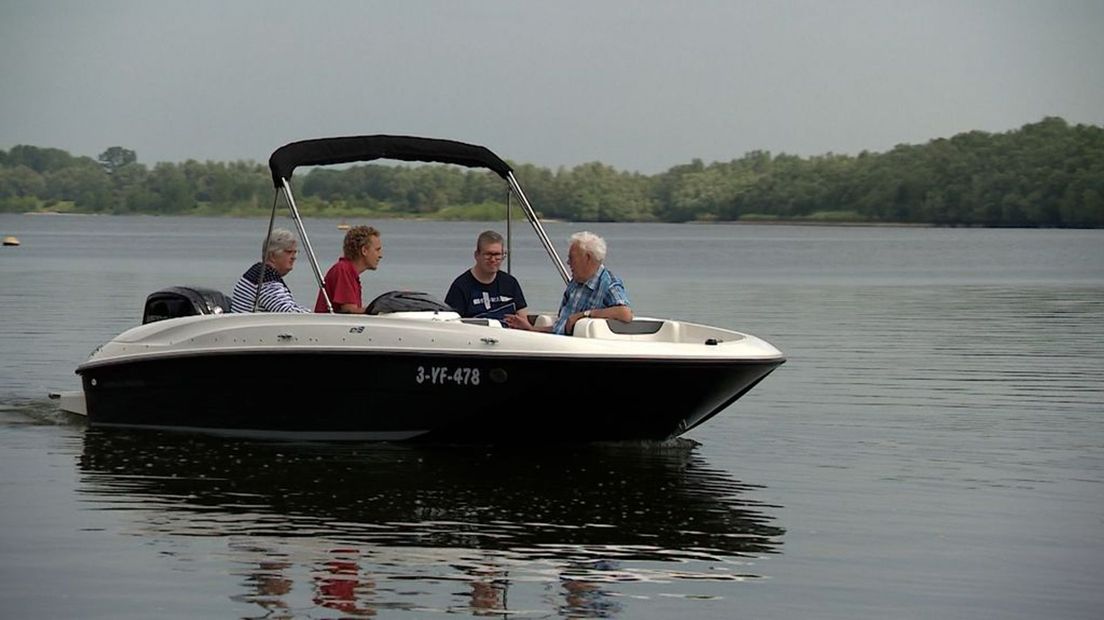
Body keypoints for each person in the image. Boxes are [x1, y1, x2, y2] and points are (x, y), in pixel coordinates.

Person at [504, 231, 632, 334]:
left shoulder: (608, 283)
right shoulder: (574, 284)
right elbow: (560, 328)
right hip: (560, 343)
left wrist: (585, 315)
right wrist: (531, 329)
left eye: (572, 258)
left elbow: (625, 313)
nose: (568, 263)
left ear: (587, 258)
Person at [445, 230, 528, 321]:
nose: (493, 259)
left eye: (497, 254)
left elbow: (523, 320)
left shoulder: (510, 283)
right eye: (488, 254)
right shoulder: (460, 287)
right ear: (477, 255)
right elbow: (451, 324)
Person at [230, 228, 310, 313]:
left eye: (295, 252)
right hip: (253, 325)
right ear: (272, 256)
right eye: (289, 252)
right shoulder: (265, 279)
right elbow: (289, 313)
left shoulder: (256, 272)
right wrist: (313, 315)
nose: (294, 257)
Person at [314, 225, 383, 313]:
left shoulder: (349, 272)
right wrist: (381, 311)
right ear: (364, 250)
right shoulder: (343, 270)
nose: (380, 255)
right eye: (377, 250)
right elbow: (349, 311)